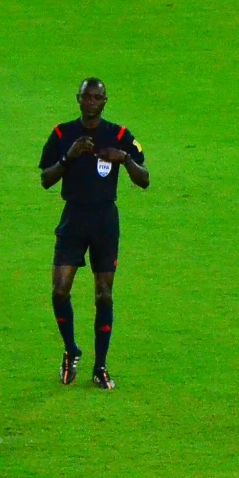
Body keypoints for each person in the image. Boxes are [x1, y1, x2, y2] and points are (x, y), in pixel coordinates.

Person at [41, 78, 149, 390]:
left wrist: (125, 159)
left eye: (97, 97)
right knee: (60, 290)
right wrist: (68, 157)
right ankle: (71, 349)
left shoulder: (118, 135)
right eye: (86, 96)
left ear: (104, 102)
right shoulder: (63, 134)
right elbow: (46, 178)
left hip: (104, 221)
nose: (91, 102)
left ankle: (100, 367)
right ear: (78, 100)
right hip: (73, 218)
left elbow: (144, 180)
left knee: (104, 293)